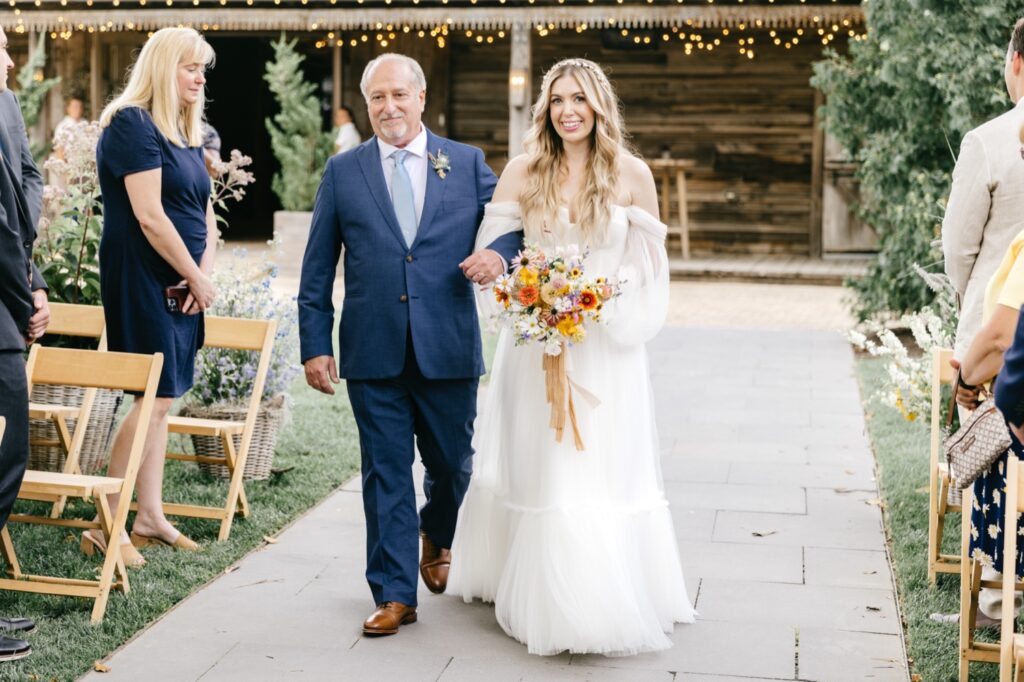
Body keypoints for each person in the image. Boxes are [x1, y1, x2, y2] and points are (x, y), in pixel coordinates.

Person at [447, 57, 695, 656]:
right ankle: (542, 596)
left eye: (579, 99)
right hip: (537, 348)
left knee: (599, 469)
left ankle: (603, 594)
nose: (568, 111)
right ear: (545, 109)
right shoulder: (525, 171)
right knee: (548, 467)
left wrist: (598, 302)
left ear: (600, 106)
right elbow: (498, 249)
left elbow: (648, 264)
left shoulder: (633, 175)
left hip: (604, 348)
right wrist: (520, 285)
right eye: (557, 100)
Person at [298, 53, 522, 636]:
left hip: (447, 346)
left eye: (399, 95)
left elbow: (514, 225)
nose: (388, 107)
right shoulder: (344, 172)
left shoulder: (468, 164)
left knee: (453, 467)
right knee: (385, 471)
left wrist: (499, 254)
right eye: (377, 97)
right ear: (366, 103)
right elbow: (317, 268)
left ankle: (437, 532)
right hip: (372, 350)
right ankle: (394, 593)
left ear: (421, 98)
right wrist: (314, 344)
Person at [89, 27, 218, 566]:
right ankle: (106, 522)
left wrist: (201, 273)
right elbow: (148, 215)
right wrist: (193, 275)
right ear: (163, 67)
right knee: (154, 396)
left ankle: (149, 515)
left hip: (183, 281)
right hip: (142, 277)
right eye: (190, 67)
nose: (199, 78)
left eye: (203, 70)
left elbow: (205, 214)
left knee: (165, 401)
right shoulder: (131, 124)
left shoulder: (184, 129)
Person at [0, 24, 51, 661]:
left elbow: (23, 192)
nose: (9, 58)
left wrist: (33, 283)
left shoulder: (7, 104)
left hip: (10, 299)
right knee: (8, 456)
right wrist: (23, 302)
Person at [943, 18, 1024, 363]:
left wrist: (975, 293)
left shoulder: (986, 142)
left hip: (991, 339)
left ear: (1016, 61)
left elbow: (957, 248)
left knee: (986, 420)